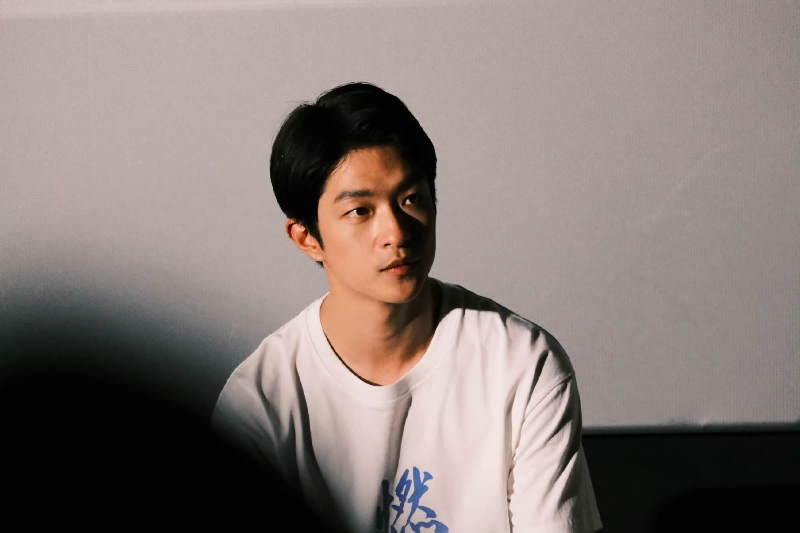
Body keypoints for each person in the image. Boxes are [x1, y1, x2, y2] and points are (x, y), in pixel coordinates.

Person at [211, 82, 603, 533]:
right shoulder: (260, 404)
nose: (396, 232)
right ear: (307, 238)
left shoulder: (521, 364)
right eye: (360, 211)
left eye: (411, 199)